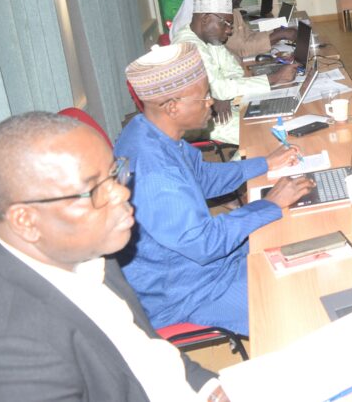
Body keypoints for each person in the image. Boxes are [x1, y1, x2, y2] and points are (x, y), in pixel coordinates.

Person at [0, 111, 225, 401]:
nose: (121, 194)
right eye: (95, 189)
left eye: (114, 173)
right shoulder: (6, 353)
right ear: (27, 221)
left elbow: (146, 348)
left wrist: (212, 390)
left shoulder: (81, 245)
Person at [115, 43, 314, 336]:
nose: (211, 102)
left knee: (298, 237)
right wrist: (269, 204)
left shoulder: (148, 129)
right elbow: (205, 244)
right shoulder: (155, 173)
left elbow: (202, 178)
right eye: (204, 96)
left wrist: (264, 164)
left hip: (199, 263)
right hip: (186, 289)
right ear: (172, 107)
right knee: (298, 304)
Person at [172, 0, 297, 145]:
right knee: (266, 135)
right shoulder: (188, 47)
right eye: (226, 24)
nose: (229, 31)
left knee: (275, 116)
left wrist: (223, 94)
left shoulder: (210, 39)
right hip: (200, 119)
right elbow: (220, 88)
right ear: (205, 19)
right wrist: (275, 78)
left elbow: (235, 70)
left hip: (223, 106)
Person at [212, 0, 298, 58]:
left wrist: (275, 31)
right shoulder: (216, 18)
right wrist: (280, 35)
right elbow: (241, 50)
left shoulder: (233, 10)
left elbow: (249, 36)